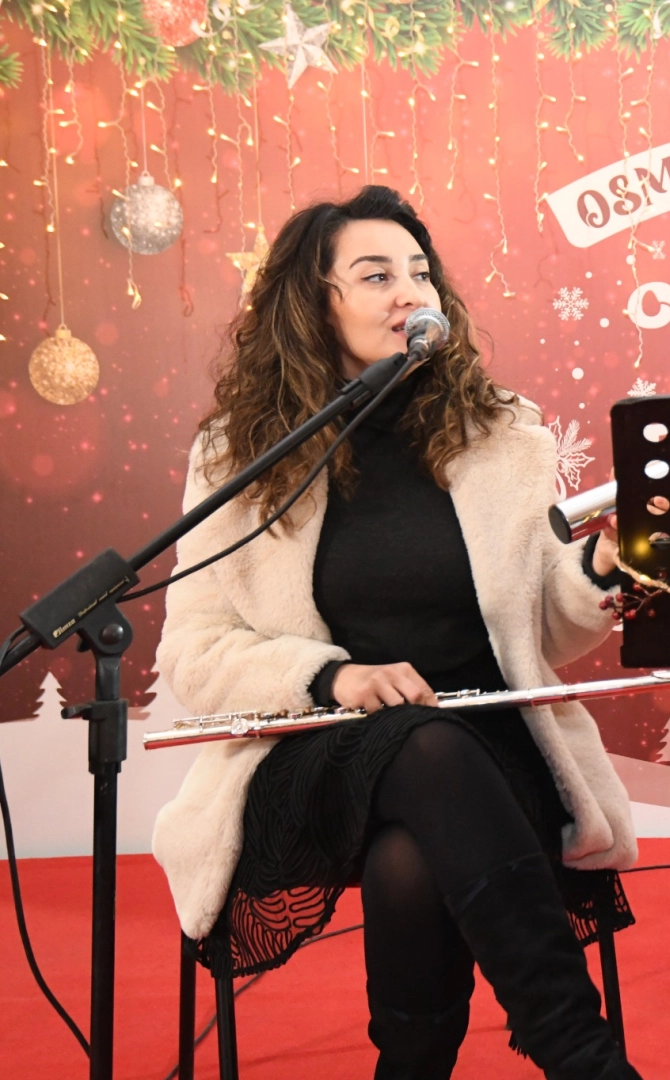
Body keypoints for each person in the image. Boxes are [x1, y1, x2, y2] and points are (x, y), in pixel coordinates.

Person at [150, 185, 641, 1080]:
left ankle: (415, 1068)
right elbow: (194, 652)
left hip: (491, 749)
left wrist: (599, 574)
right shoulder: (239, 453)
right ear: (312, 303)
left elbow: (538, 628)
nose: (410, 292)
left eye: (420, 273)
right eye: (375, 275)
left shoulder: (501, 433)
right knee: (418, 748)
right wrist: (333, 676)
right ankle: (581, 1052)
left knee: (413, 845)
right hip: (318, 751)